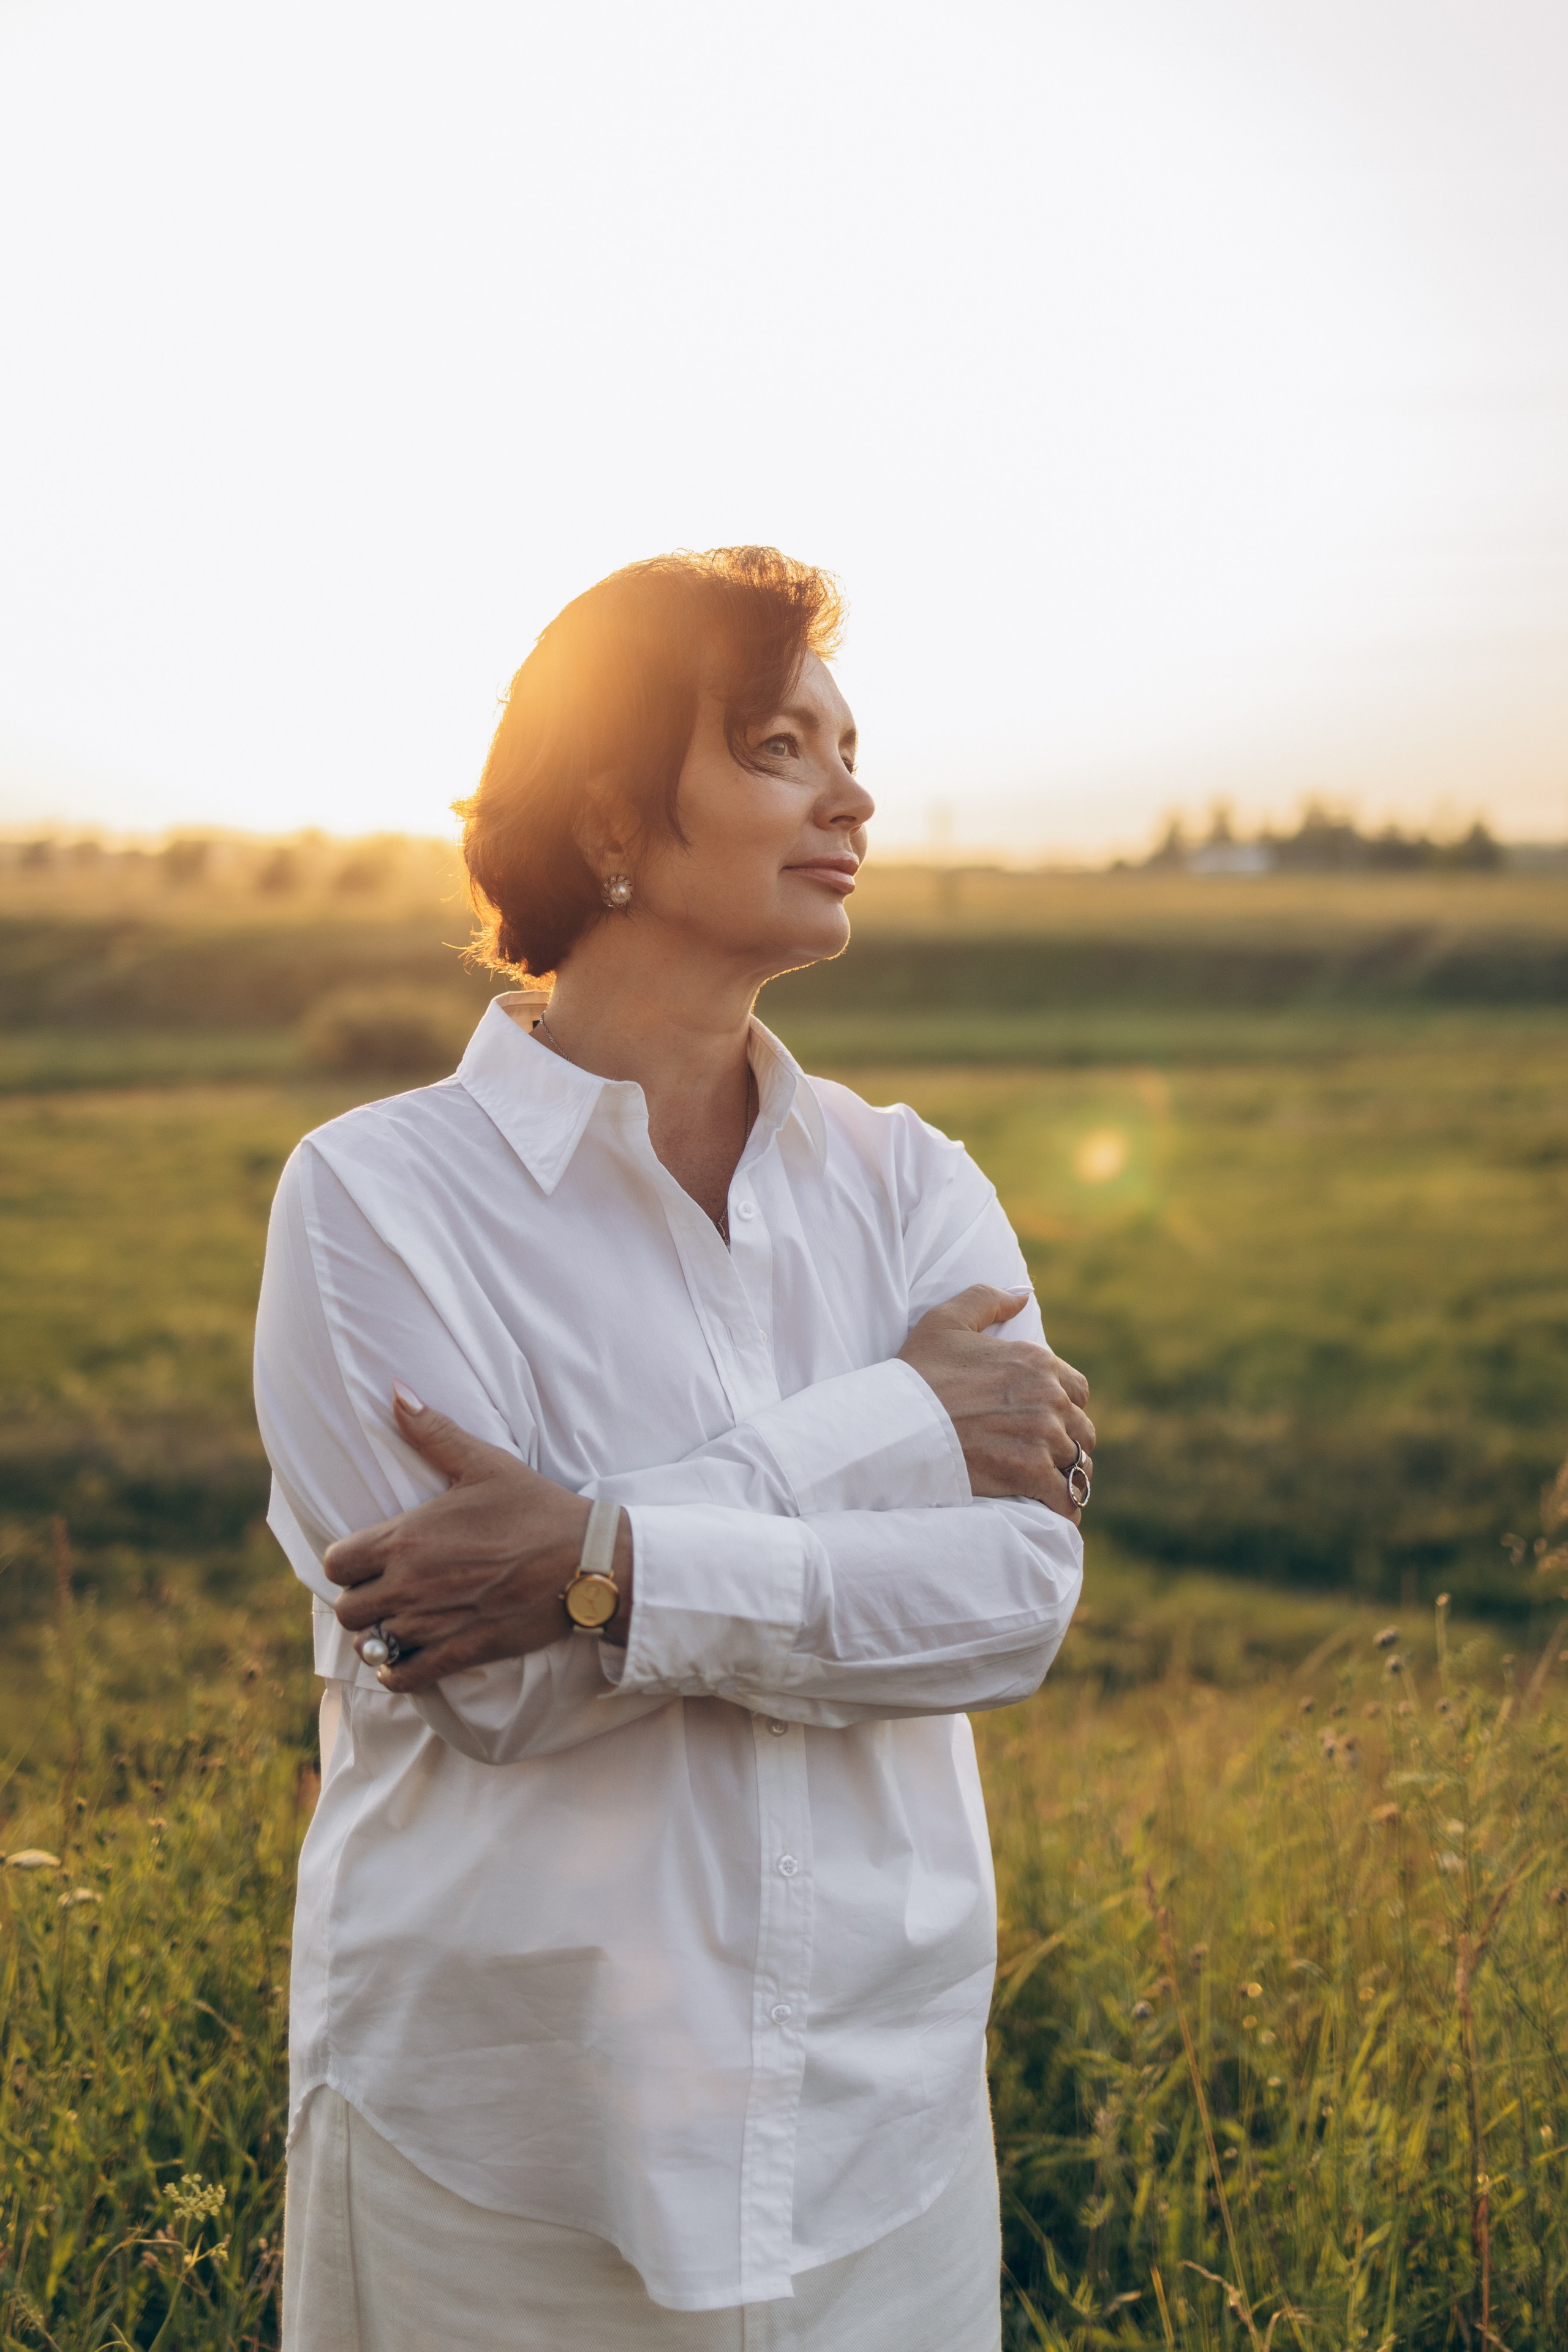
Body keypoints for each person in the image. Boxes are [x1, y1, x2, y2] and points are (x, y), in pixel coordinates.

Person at [254, 546, 1091, 2351]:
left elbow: (1015, 1604)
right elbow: (496, 1692)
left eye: (850, 745)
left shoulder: (912, 1185)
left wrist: (599, 1562)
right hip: (506, 2158)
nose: (855, 792)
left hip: (882, 2143)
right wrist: (892, 1427)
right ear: (618, 819)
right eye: (782, 745)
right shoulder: (373, 1204)